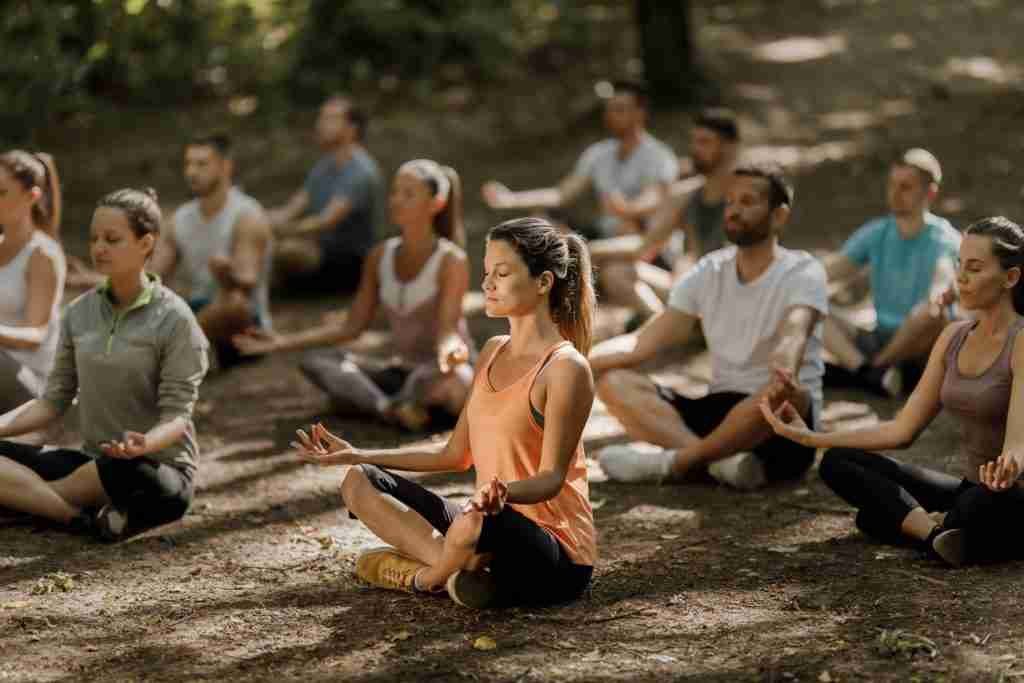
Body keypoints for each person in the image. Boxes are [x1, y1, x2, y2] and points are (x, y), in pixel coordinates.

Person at [293, 216, 597, 609]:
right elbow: (453, 456)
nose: (487, 284)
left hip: (555, 555)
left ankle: (425, 577)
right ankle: (466, 573)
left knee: (473, 520)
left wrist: (501, 494)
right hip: (481, 524)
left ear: (543, 282)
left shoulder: (565, 368)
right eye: (487, 272)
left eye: (502, 273)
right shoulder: (492, 351)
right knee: (358, 482)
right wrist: (358, 453)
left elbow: (552, 478)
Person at [762, 216, 1024, 567]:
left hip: (1009, 495)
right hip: (970, 489)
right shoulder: (952, 337)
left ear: (1011, 277)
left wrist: (1010, 466)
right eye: (960, 264)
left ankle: (933, 528)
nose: (961, 277)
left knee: (886, 515)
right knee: (839, 461)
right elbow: (902, 431)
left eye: (975, 268)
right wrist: (813, 437)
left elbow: (1018, 442)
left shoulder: (1021, 341)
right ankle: (937, 536)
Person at [593, 163, 828, 491]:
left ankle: (675, 463)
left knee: (791, 395)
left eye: (747, 202)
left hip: (780, 425)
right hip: (722, 411)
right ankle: (720, 463)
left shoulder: (803, 271)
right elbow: (643, 342)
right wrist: (577, 359)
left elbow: (796, 329)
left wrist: (784, 365)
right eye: (730, 202)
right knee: (614, 380)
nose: (733, 210)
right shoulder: (709, 271)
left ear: (779, 216)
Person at [0, 188, 209, 540]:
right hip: (91, 463)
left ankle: (26, 499)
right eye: (94, 238)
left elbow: (177, 416)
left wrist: (145, 444)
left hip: (154, 469)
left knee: (125, 470)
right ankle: (69, 514)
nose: (99, 248)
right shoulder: (79, 313)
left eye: (112, 239)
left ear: (146, 243)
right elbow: (52, 402)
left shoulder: (175, 319)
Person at [236, 160, 473, 431]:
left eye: (408, 194)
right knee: (318, 361)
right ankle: (390, 408)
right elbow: (352, 327)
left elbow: (448, 330)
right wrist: (282, 341)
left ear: (436, 203)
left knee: (458, 388)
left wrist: (450, 353)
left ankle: (382, 403)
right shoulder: (379, 256)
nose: (396, 200)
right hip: (401, 373)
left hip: (439, 372)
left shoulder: (451, 260)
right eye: (395, 192)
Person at [822, 149, 960, 396]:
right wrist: (794, 278)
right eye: (892, 185)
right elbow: (832, 269)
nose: (895, 194)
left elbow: (940, 286)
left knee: (932, 313)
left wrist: (940, 292)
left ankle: (869, 372)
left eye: (905, 186)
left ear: (930, 193)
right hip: (879, 336)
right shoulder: (877, 232)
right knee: (808, 304)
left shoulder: (945, 239)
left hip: (920, 346)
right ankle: (872, 376)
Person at [590, 109, 740, 325]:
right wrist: (592, 249)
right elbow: (645, 245)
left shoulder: (748, 195)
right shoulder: (686, 196)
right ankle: (661, 326)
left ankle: (677, 328)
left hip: (731, 298)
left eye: (705, 142)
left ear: (729, 147)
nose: (695, 149)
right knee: (616, 272)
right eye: (694, 141)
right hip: (691, 293)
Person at [481, 79, 677, 239]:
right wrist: (510, 199)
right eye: (609, 110)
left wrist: (627, 209)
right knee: (542, 223)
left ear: (639, 114)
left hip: (644, 240)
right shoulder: (598, 153)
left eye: (619, 109)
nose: (610, 116)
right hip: (604, 234)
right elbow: (562, 194)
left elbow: (656, 198)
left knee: (628, 227)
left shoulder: (660, 156)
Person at [269, 95, 381, 295]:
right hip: (318, 250)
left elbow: (324, 221)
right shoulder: (323, 166)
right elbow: (290, 209)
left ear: (352, 129)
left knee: (285, 251)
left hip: (348, 262)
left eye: (330, 119)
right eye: (321, 118)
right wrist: (257, 217)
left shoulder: (361, 171)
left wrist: (281, 232)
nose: (320, 124)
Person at [0, 151, 66, 415]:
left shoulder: (42, 255)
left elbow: (36, 335)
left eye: (1, 192)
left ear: (32, 196)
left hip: (33, 386)